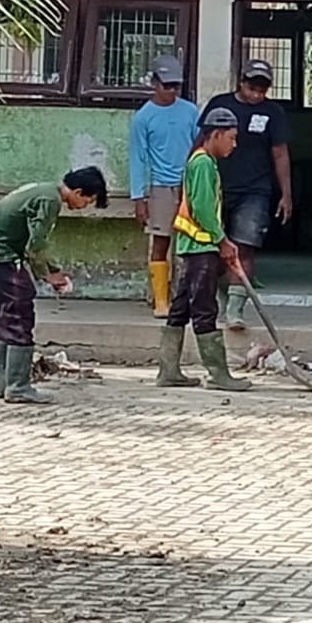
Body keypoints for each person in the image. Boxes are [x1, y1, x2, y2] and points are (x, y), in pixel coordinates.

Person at [0, 167, 109, 405]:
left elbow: (33, 245)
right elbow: (36, 245)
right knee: (20, 315)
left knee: (2, 319)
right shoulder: (50, 201)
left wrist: (52, 269)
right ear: (78, 191)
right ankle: (18, 386)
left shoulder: (43, 189)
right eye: (88, 200)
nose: (85, 206)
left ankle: (1, 382)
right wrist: (47, 276)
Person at [156, 107, 250, 392]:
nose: (234, 144)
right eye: (231, 138)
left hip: (194, 246)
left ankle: (168, 370)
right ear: (216, 135)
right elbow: (203, 209)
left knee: (181, 308)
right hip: (201, 247)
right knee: (205, 308)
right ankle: (218, 374)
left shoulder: (203, 162)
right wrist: (222, 240)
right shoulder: (203, 164)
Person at [199, 58, 292, 333]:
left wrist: (286, 193)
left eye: (263, 88)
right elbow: (200, 143)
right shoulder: (220, 104)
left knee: (245, 247)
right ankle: (221, 299)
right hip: (217, 187)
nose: (257, 93)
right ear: (241, 82)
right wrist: (190, 183)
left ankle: (235, 310)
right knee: (213, 248)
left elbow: (280, 153)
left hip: (255, 190)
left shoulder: (273, 113)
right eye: (253, 86)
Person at [129, 54, 199, 318]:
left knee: (190, 243)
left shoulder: (191, 111)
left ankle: (185, 298)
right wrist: (139, 198)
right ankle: (161, 299)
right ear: (154, 84)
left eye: (176, 86)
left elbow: (198, 147)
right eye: (166, 85)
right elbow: (138, 158)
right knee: (161, 241)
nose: (171, 91)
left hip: (188, 185)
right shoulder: (143, 118)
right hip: (160, 186)